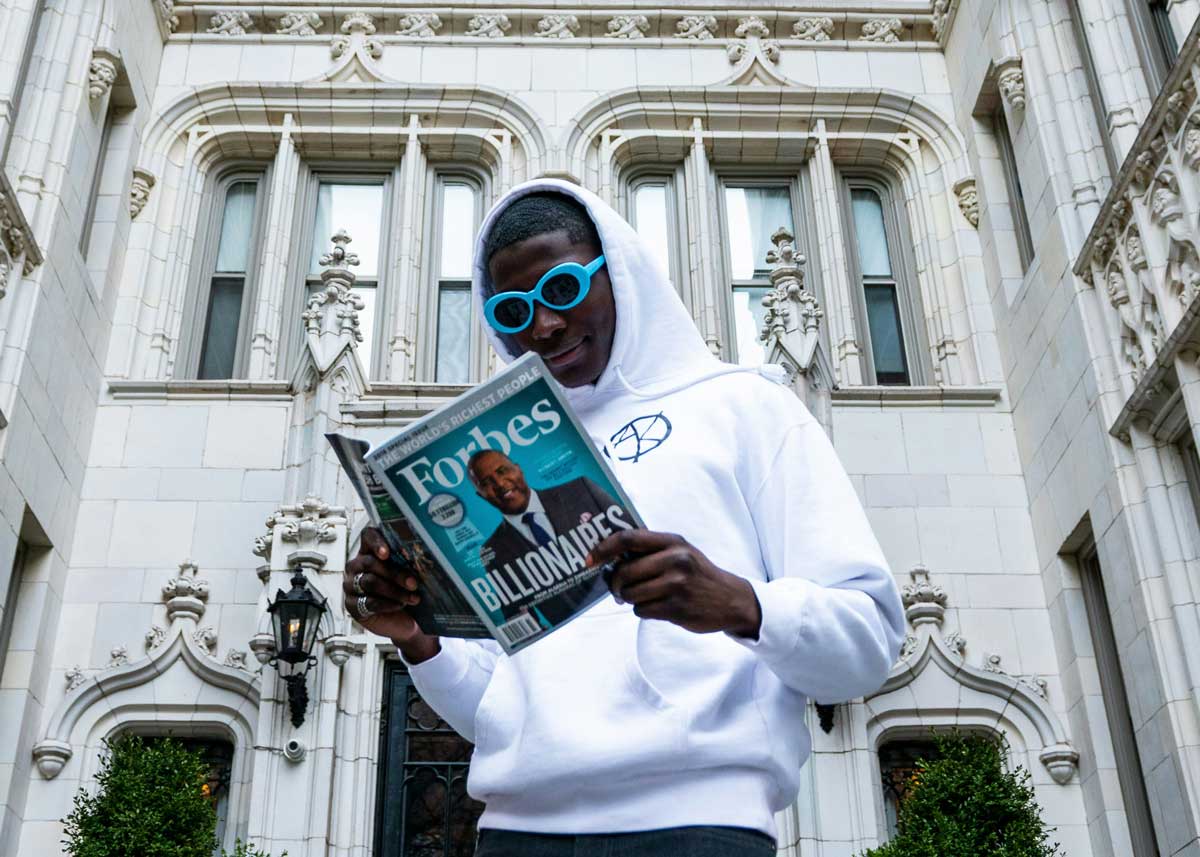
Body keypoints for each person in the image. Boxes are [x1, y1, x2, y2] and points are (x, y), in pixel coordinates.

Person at [344, 180, 905, 857]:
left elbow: (869, 640)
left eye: (562, 290)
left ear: (621, 272)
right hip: (517, 832)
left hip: (699, 824)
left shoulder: (746, 406)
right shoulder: (495, 462)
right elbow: (492, 706)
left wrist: (741, 604)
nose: (543, 326)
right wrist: (417, 638)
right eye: (514, 308)